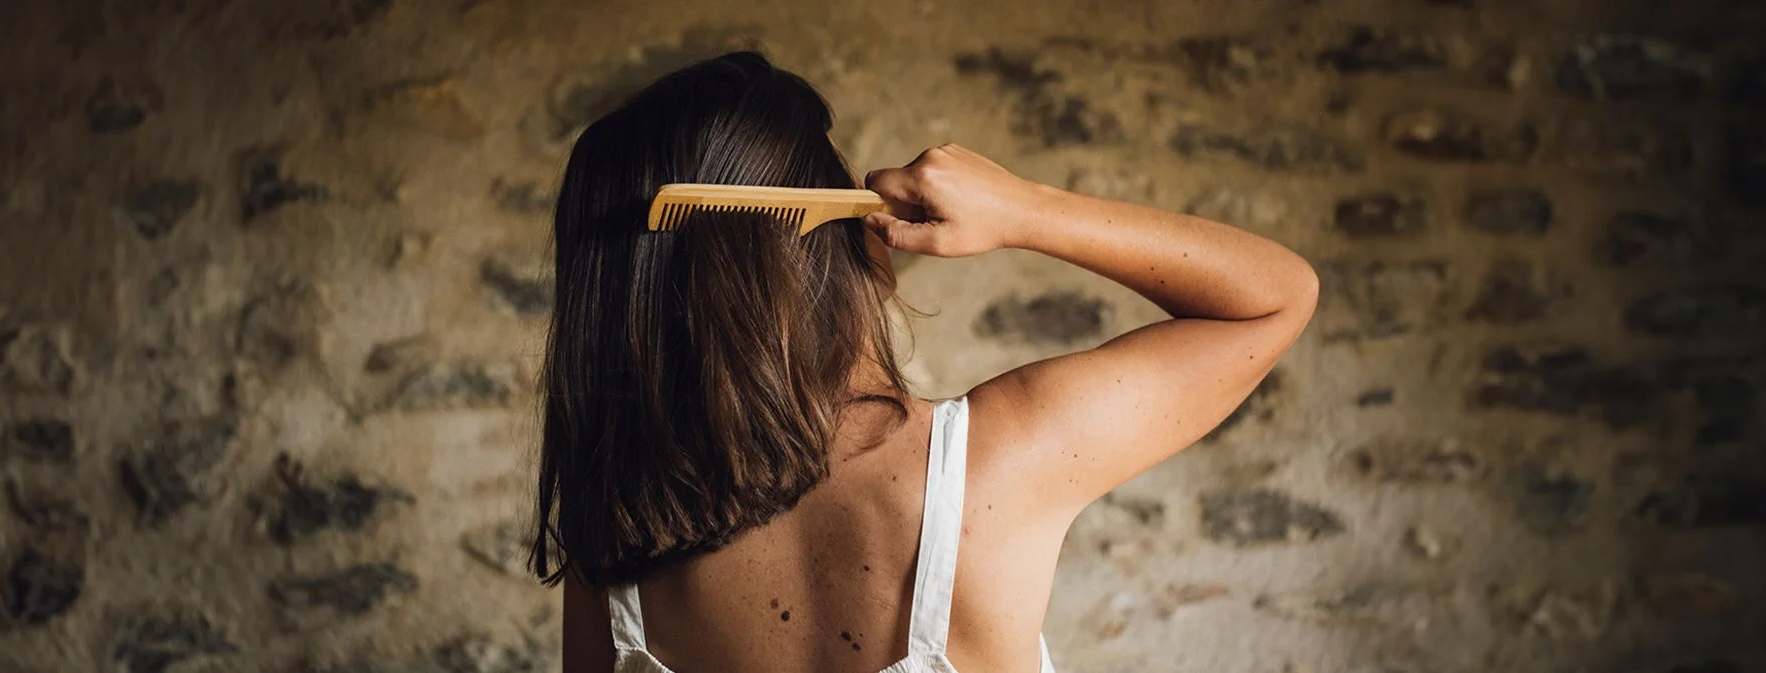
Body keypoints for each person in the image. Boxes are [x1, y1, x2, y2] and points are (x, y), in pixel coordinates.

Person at [532, 51, 1318, 673]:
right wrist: (1022, 208)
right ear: (818, 243)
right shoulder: (994, 463)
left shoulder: (622, 531)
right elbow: (1275, 295)